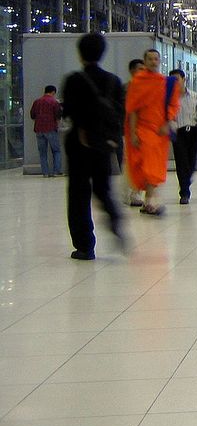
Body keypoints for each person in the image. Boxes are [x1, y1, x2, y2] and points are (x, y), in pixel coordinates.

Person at [60, 33, 126, 259]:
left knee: (78, 194)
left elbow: (68, 111)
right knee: (103, 188)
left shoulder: (74, 80)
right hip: (103, 145)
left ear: (80, 54)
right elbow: (120, 113)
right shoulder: (113, 81)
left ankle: (85, 245)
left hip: (79, 143)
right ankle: (115, 218)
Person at [125, 49, 180, 216]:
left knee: (155, 165)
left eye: (156, 59)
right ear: (145, 61)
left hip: (159, 130)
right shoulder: (138, 82)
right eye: (150, 59)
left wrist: (167, 121)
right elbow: (133, 109)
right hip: (143, 128)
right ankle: (152, 201)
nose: (153, 62)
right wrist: (133, 133)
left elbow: (173, 105)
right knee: (148, 165)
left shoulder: (165, 82)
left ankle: (149, 201)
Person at [169, 69, 197, 204]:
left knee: (192, 162)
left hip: (193, 132)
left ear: (183, 79)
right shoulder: (169, 99)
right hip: (178, 133)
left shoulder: (194, 96)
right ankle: (184, 192)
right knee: (181, 162)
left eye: (177, 79)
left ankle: (186, 181)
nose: (175, 82)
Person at [122, 59, 144, 207]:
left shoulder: (148, 88)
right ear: (132, 71)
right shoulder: (125, 89)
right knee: (129, 162)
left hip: (144, 131)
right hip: (127, 132)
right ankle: (129, 192)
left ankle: (136, 192)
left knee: (142, 163)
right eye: (139, 69)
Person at [30, 85, 62, 177]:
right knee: (56, 151)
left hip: (39, 129)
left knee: (42, 153)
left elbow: (32, 115)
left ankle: (45, 173)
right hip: (51, 128)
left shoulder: (37, 101)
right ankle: (56, 171)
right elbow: (58, 115)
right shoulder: (54, 102)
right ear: (53, 92)